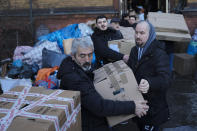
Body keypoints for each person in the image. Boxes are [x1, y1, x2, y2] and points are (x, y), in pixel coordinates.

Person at [57, 37, 149, 131]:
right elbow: (99, 107)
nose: (87, 60)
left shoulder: (75, 66)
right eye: (82, 56)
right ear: (73, 55)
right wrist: (132, 106)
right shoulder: (73, 79)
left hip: (89, 114)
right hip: (86, 123)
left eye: (90, 55)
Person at [127, 21, 171, 131]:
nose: (137, 36)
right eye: (136, 33)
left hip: (153, 108)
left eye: (142, 33)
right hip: (138, 104)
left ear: (150, 34)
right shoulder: (134, 50)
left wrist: (149, 83)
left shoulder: (159, 54)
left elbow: (166, 79)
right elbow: (130, 71)